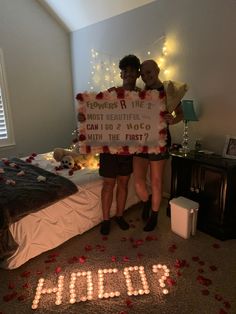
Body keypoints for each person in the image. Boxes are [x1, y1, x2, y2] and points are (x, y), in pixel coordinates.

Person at [133, 59, 183, 232]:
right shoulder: (140, 93)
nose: (146, 76)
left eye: (149, 72)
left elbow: (180, 114)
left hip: (160, 141)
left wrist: (173, 119)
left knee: (156, 180)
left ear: (158, 70)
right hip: (141, 141)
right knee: (138, 181)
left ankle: (154, 215)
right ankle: (146, 203)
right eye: (143, 73)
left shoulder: (169, 91)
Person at [99, 54, 141, 235]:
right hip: (109, 148)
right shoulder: (112, 93)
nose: (129, 74)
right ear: (121, 74)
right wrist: (83, 116)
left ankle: (119, 215)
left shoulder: (144, 97)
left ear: (138, 74)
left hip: (128, 150)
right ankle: (106, 219)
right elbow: (94, 110)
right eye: (125, 71)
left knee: (123, 184)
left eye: (132, 71)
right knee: (108, 184)